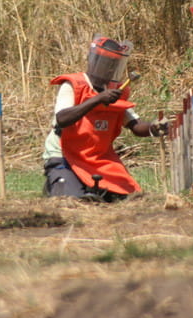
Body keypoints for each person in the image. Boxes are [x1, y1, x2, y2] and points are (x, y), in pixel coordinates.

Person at [42, 36, 168, 201]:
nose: (109, 69)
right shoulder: (74, 85)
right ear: (93, 61)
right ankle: (58, 181)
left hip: (97, 159)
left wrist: (153, 127)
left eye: (114, 65)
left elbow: (135, 126)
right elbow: (62, 119)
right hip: (64, 155)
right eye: (106, 63)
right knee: (73, 200)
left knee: (126, 198)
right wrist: (97, 100)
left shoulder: (116, 91)